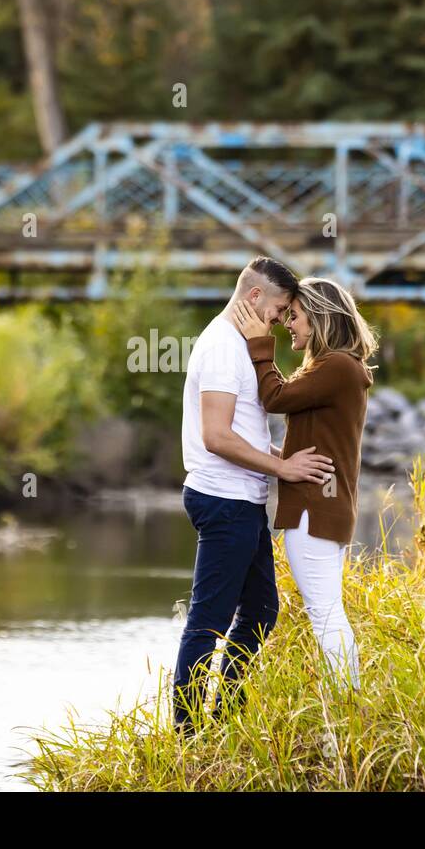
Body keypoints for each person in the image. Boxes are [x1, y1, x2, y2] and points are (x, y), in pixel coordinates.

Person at [173, 257, 335, 735]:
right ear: (254, 298)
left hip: (240, 499)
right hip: (223, 501)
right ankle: (187, 736)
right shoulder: (224, 348)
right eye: (280, 309)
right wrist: (282, 467)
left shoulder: (239, 344)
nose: (283, 321)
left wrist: (281, 457)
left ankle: (224, 718)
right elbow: (217, 437)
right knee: (208, 622)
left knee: (262, 614)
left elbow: (242, 427)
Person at [231, 277, 378, 695]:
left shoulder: (336, 366)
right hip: (324, 505)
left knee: (325, 613)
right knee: (328, 611)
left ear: (317, 318)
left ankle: (346, 711)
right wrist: (276, 456)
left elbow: (274, 397)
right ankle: (346, 707)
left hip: (315, 508)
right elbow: (316, 442)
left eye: (293, 317)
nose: (287, 325)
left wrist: (260, 344)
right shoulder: (337, 368)